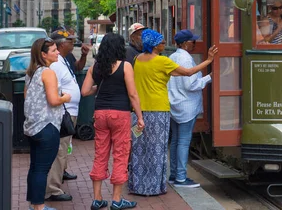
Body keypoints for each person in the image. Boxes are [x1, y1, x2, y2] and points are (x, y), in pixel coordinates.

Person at [128, 29, 218, 196]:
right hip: (158, 110)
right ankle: (160, 184)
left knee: (140, 148)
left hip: (139, 111)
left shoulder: (137, 59)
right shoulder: (162, 61)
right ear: (154, 46)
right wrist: (209, 61)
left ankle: (139, 185)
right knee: (158, 149)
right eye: (162, 42)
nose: (164, 44)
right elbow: (189, 74)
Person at [81, 33, 144, 210]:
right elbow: (132, 94)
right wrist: (139, 117)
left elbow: (85, 91)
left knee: (100, 154)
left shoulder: (96, 66)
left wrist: (100, 87)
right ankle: (116, 200)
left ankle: (97, 199)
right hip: (120, 114)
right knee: (120, 155)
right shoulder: (125, 66)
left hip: (100, 114)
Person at [24, 38, 71, 210]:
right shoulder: (48, 72)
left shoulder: (31, 72)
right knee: (42, 169)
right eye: (53, 50)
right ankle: (39, 206)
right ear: (43, 54)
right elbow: (53, 100)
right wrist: (65, 97)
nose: (58, 52)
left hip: (33, 127)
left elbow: (27, 97)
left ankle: (34, 204)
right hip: (47, 126)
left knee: (35, 167)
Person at [167, 30, 212, 188]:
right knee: (184, 142)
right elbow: (191, 84)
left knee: (175, 141)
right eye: (192, 41)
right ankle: (180, 177)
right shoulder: (186, 59)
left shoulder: (172, 56)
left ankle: (173, 175)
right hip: (186, 106)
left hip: (174, 105)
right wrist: (209, 77)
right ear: (185, 43)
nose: (194, 43)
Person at [44, 30, 81, 202]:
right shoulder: (56, 63)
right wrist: (64, 101)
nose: (72, 44)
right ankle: (53, 189)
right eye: (69, 41)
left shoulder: (64, 60)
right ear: (60, 44)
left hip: (70, 110)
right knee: (59, 150)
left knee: (64, 149)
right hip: (64, 111)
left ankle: (59, 176)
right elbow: (53, 90)